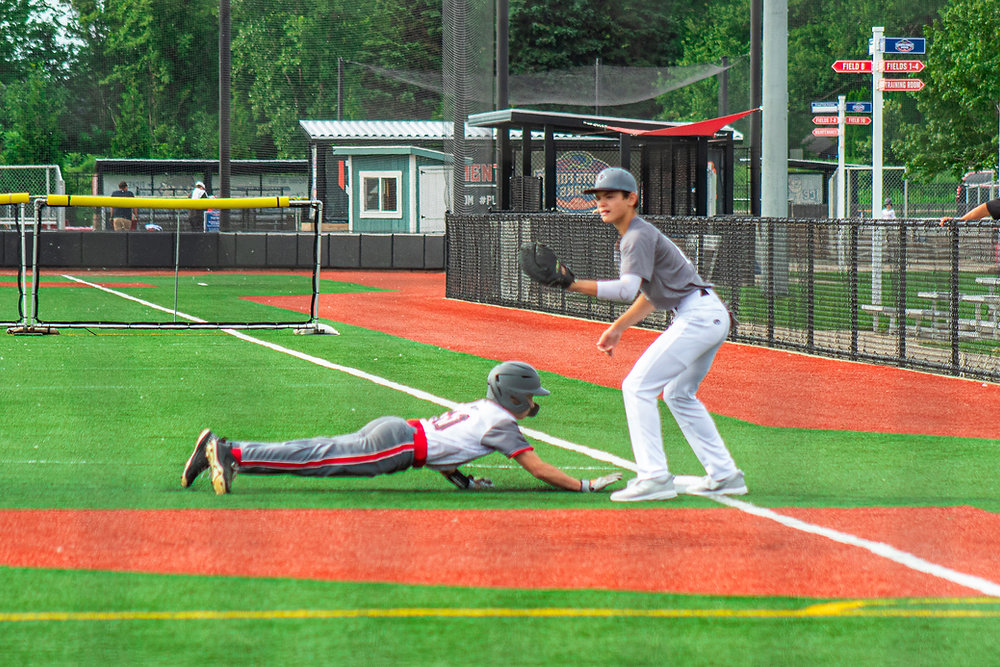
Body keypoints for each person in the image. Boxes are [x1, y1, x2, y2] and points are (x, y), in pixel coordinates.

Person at [561, 167, 745, 502]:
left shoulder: (636, 236)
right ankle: (725, 474)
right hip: (706, 314)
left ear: (631, 199)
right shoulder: (637, 234)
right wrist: (618, 328)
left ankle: (654, 477)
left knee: (636, 387)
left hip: (699, 317)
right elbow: (650, 295)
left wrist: (572, 284)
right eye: (598, 198)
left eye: (610, 196)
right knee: (678, 394)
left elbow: (626, 290)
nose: (602, 203)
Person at [181, 361, 622, 496]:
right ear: (514, 397)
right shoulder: (504, 425)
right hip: (395, 446)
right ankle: (229, 452)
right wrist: (583, 485)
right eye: (529, 396)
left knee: (317, 450)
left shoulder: (485, 408)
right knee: (318, 459)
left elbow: (449, 447)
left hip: (397, 432)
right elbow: (540, 470)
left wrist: (463, 480)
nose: (532, 403)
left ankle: (227, 451)